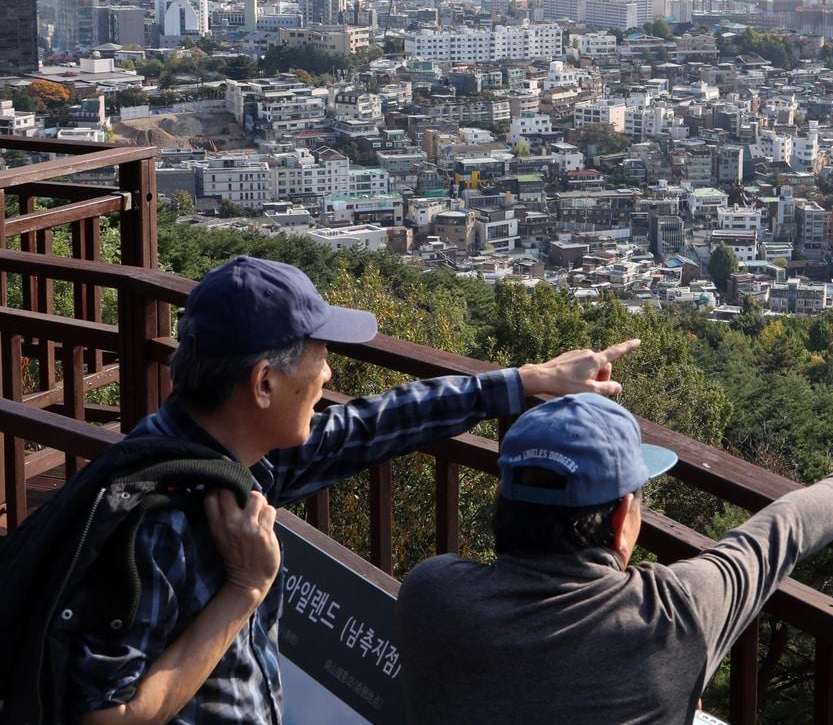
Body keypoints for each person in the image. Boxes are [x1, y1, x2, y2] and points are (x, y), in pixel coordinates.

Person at [70, 255, 638, 725]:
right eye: (319, 356)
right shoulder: (159, 517)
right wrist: (244, 590)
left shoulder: (220, 450)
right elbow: (102, 715)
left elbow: (370, 426)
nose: (328, 376)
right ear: (264, 383)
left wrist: (523, 381)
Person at [397, 394, 833, 724]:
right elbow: (779, 534)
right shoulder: (673, 616)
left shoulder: (433, 594)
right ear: (621, 516)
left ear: (504, 503)